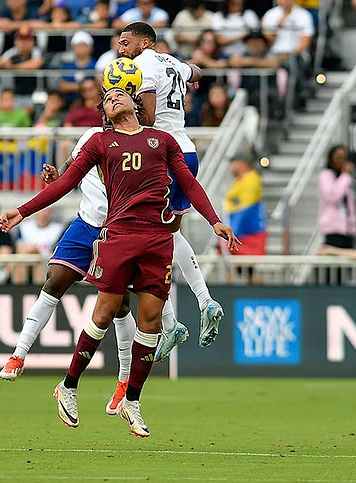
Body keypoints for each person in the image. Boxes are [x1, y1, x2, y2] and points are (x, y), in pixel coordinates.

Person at [0, 87, 237, 436]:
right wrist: (21, 211)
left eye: (120, 93)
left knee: (151, 321)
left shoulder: (162, 139)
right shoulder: (99, 142)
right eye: (108, 98)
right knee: (105, 312)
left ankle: (132, 401)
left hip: (157, 238)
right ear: (106, 114)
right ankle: (69, 385)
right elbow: (64, 185)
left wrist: (214, 220)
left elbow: (188, 183)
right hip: (118, 234)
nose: (114, 98)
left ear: (135, 104)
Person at [118, 22, 225, 361]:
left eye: (126, 42)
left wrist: (125, 111)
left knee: (140, 236)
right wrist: (189, 74)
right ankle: (204, 302)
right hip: (186, 151)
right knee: (168, 232)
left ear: (144, 42)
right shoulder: (169, 61)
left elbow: (147, 117)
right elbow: (197, 71)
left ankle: (170, 322)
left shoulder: (145, 64)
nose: (122, 49)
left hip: (160, 152)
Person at [225, 152, 267, 256]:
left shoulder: (250, 180)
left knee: (247, 267)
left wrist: (232, 233)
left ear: (242, 164)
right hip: (243, 233)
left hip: (249, 234)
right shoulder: (241, 180)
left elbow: (245, 209)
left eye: (233, 163)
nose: (231, 167)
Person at [319, 145, 356, 250]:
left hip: (348, 229)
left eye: (344, 158)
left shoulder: (347, 178)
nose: (341, 162)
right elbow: (332, 197)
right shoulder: (326, 175)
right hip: (334, 229)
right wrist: (345, 175)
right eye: (338, 158)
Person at [14, 207, 64, 284]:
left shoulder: (58, 229)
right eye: (42, 211)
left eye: (46, 211)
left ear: (50, 213)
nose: (43, 214)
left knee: (38, 260)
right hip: (28, 262)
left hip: (48, 262)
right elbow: (19, 248)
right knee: (24, 257)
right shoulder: (25, 228)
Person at [58, 31, 98, 104]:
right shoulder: (67, 65)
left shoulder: (96, 64)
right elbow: (62, 86)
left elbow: (98, 85)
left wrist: (72, 86)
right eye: (78, 46)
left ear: (90, 48)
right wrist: (82, 87)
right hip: (68, 102)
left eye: (84, 46)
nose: (81, 49)